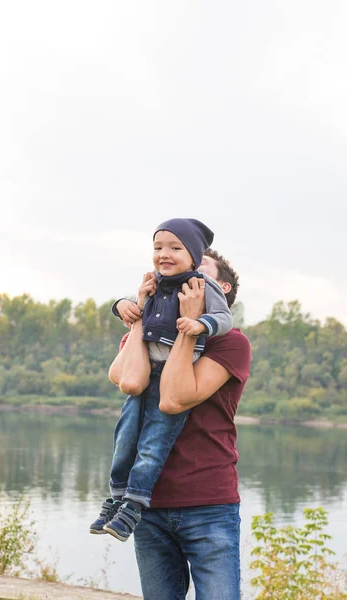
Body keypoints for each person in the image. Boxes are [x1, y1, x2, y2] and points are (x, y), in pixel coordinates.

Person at [115, 249, 250, 600]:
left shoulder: (231, 343)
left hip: (209, 504)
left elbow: (174, 398)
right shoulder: (147, 336)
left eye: (198, 265)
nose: (184, 266)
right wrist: (139, 316)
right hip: (147, 503)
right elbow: (126, 379)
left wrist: (190, 328)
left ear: (219, 287)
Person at [90, 219, 233, 542]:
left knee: (153, 444)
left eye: (174, 248)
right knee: (125, 439)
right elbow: (126, 305)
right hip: (144, 370)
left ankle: (135, 505)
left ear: (194, 256)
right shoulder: (153, 281)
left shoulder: (202, 284)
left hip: (173, 375)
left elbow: (225, 319)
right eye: (157, 248)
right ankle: (116, 498)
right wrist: (123, 305)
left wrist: (201, 325)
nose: (163, 254)